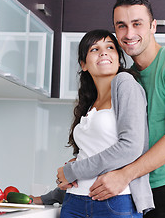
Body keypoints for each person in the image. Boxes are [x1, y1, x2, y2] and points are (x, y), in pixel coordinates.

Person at [88, 0, 165, 218]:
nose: (129, 34)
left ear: (153, 26)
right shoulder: (127, 77)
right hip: (139, 188)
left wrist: (124, 175)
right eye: (121, 26)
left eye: (137, 24)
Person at [56, 29, 154, 218]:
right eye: (94, 49)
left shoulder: (125, 83)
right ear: (83, 64)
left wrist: (71, 171)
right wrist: (48, 196)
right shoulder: (89, 103)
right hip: (74, 201)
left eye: (110, 47)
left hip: (116, 201)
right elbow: (87, 158)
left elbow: (130, 147)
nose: (103, 52)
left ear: (118, 58)